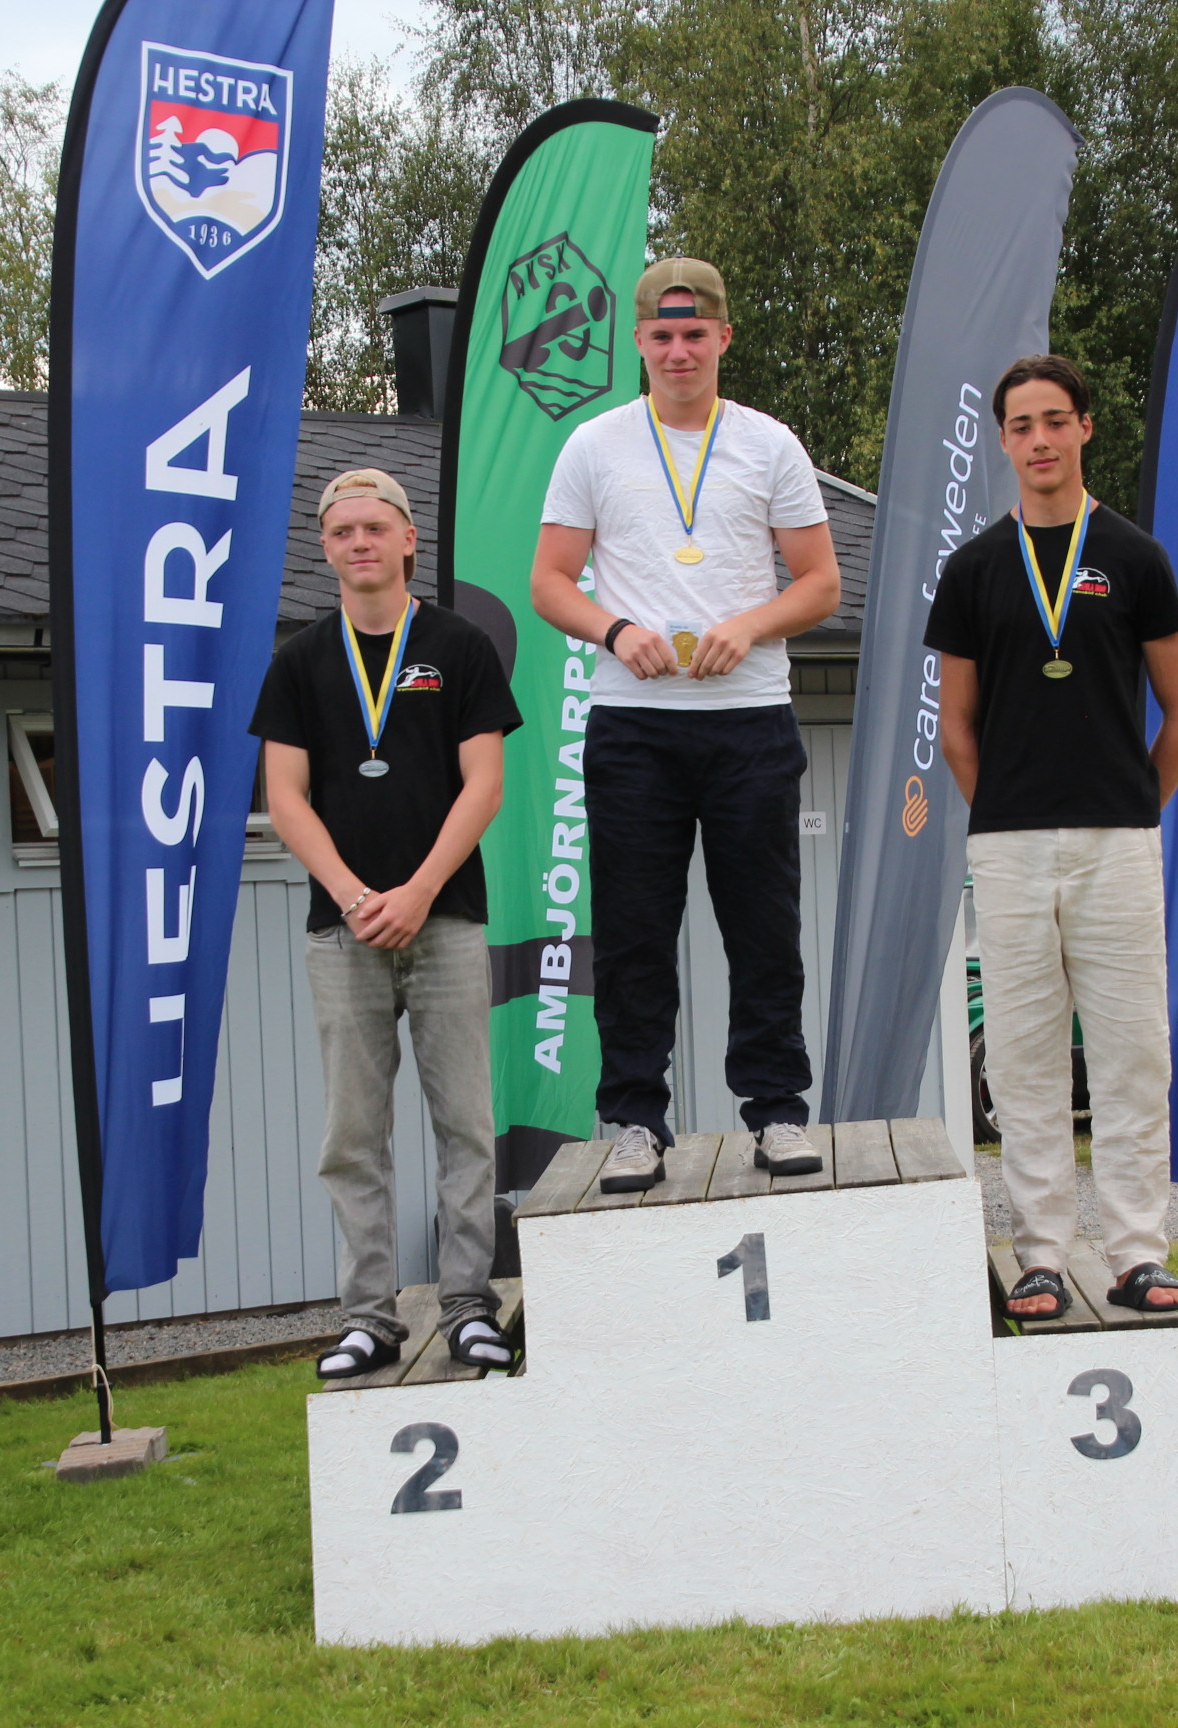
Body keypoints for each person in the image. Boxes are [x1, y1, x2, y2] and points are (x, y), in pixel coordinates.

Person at [530, 258, 842, 1193]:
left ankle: (778, 1111)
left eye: (694, 335)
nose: (678, 352)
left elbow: (821, 583)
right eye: (661, 336)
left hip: (748, 720)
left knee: (763, 927)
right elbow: (549, 582)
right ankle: (635, 1120)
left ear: (723, 338)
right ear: (637, 341)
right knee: (633, 934)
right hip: (634, 725)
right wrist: (615, 630)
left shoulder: (770, 444)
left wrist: (749, 626)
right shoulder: (593, 445)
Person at [925, 355, 1178, 1318]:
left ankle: (1138, 1255)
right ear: (1003, 441)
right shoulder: (973, 569)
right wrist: (1005, 810)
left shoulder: (1134, 556)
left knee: (1132, 1053)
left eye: (1056, 420)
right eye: (1022, 425)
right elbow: (956, 728)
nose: (1040, 440)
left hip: (1117, 842)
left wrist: (1133, 804)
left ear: (1085, 426)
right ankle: (1041, 1255)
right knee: (1022, 1058)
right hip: (1008, 849)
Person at [252, 469, 523, 1378]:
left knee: (466, 1125)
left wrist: (416, 892)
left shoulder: (458, 646)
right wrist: (355, 894)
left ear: (409, 539)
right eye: (342, 532)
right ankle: (368, 1317)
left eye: (375, 527)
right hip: (343, 932)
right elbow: (284, 798)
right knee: (352, 1135)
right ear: (325, 547)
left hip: (444, 921)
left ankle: (468, 1307)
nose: (359, 543)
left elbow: (484, 784)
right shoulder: (299, 660)